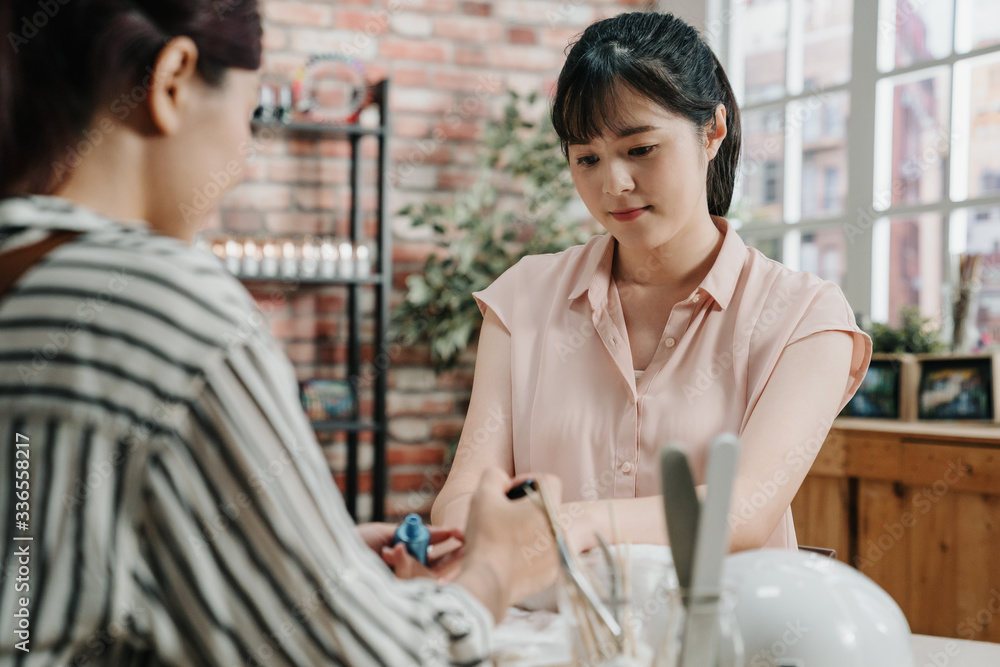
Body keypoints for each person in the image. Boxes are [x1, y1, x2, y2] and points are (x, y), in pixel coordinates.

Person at [0, 1, 560, 664]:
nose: (239, 163)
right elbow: (373, 657)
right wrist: (498, 566)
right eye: (251, 112)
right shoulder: (166, 305)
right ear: (173, 79)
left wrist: (313, 552)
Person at [432, 11, 872, 554]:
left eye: (640, 149)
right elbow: (463, 496)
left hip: (727, 636)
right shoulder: (523, 298)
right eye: (586, 158)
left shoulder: (805, 318)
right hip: (551, 631)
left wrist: (550, 525)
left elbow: (743, 512)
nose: (613, 184)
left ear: (712, 130)